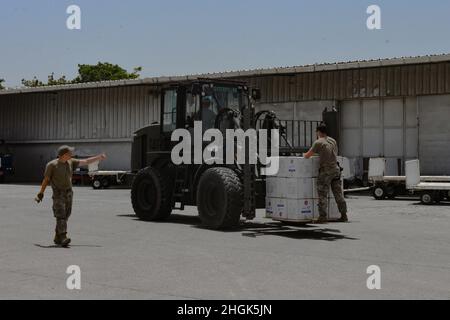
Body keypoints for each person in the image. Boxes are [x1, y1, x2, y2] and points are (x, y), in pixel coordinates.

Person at [35, 146, 107, 247]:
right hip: (58, 194)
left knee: (66, 215)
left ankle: (57, 236)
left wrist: (98, 157)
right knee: (61, 215)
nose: (71, 154)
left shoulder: (71, 162)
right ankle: (63, 237)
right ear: (64, 154)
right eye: (70, 153)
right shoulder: (52, 165)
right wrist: (40, 193)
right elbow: (46, 180)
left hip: (69, 193)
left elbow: (86, 161)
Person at [303, 125, 348, 224]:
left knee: (322, 193)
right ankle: (344, 215)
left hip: (326, 171)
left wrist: (303, 155)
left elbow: (307, 156)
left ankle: (322, 217)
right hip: (336, 169)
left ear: (319, 132)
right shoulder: (332, 140)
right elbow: (331, 153)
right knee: (338, 193)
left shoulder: (318, 142)